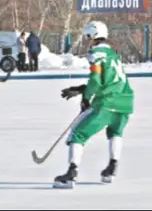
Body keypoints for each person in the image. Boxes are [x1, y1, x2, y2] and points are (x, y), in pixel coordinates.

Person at [54, 21, 134, 189]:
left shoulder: (95, 53)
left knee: (78, 134)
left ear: (92, 35)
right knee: (115, 132)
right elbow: (109, 79)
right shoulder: (112, 54)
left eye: (87, 36)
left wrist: (86, 97)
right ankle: (112, 168)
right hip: (125, 102)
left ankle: (71, 173)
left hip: (107, 102)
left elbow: (97, 81)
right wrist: (82, 89)